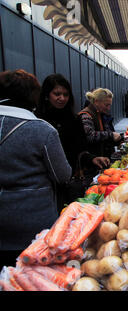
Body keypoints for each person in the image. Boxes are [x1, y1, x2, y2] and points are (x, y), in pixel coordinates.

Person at [0, 70, 72, 264]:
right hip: (33, 221)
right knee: (31, 276)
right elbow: (63, 175)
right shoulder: (42, 130)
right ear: (35, 96)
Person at [35, 74, 110, 209]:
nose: (62, 98)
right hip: (44, 185)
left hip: (70, 181)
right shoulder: (37, 120)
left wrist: (92, 158)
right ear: (47, 95)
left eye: (65, 94)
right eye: (57, 94)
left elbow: (80, 148)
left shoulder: (74, 119)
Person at [78, 88, 123, 161]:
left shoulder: (100, 113)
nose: (108, 108)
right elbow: (90, 136)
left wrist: (119, 139)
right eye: (106, 105)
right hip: (92, 162)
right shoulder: (86, 115)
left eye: (109, 105)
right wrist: (111, 135)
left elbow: (105, 133)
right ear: (96, 102)